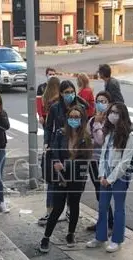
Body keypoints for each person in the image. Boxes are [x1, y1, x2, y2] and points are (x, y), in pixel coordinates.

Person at [86, 102, 133, 253]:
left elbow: (125, 161)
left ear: (122, 115)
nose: (112, 115)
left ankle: (117, 240)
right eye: (111, 112)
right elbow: (103, 155)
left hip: (120, 178)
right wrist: (102, 174)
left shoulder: (129, 135)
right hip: (105, 176)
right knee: (102, 207)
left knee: (119, 209)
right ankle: (100, 237)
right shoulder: (108, 132)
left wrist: (110, 179)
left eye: (116, 112)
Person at [39, 106, 92, 253]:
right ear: (67, 118)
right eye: (71, 117)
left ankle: (71, 234)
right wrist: (56, 162)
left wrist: (68, 164)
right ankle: (46, 237)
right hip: (61, 176)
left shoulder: (86, 138)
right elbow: (55, 150)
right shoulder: (61, 133)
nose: (74, 120)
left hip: (77, 177)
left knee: (74, 205)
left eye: (77, 117)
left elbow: (85, 159)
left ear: (81, 120)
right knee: (57, 208)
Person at [43, 80, 88, 223]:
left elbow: (84, 127)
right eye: (66, 92)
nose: (69, 95)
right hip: (59, 148)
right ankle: (51, 210)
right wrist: (47, 143)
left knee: (74, 180)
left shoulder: (80, 107)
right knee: (55, 180)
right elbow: (49, 127)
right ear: (61, 93)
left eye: (71, 92)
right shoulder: (55, 108)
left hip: (75, 149)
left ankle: (70, 209)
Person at [86, 91, 114, 232]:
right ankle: (104, 221)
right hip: (93, 160)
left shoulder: (109, 121)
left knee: (104, 192)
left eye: (104, 101)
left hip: (106, 162)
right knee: (99, 192)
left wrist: (97, 125)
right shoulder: (91, 120)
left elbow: (101, 140)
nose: (100, 104)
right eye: (98, 101)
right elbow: (86, 139)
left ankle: (109, 222)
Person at [37, 76, 61, 226]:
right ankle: (56, 211)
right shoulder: (56, 105)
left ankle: (50, 210)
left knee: (52, 182)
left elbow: (46, 127)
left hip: (50, 146)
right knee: (57, 181)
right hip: (56, 146)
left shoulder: (45, 99)